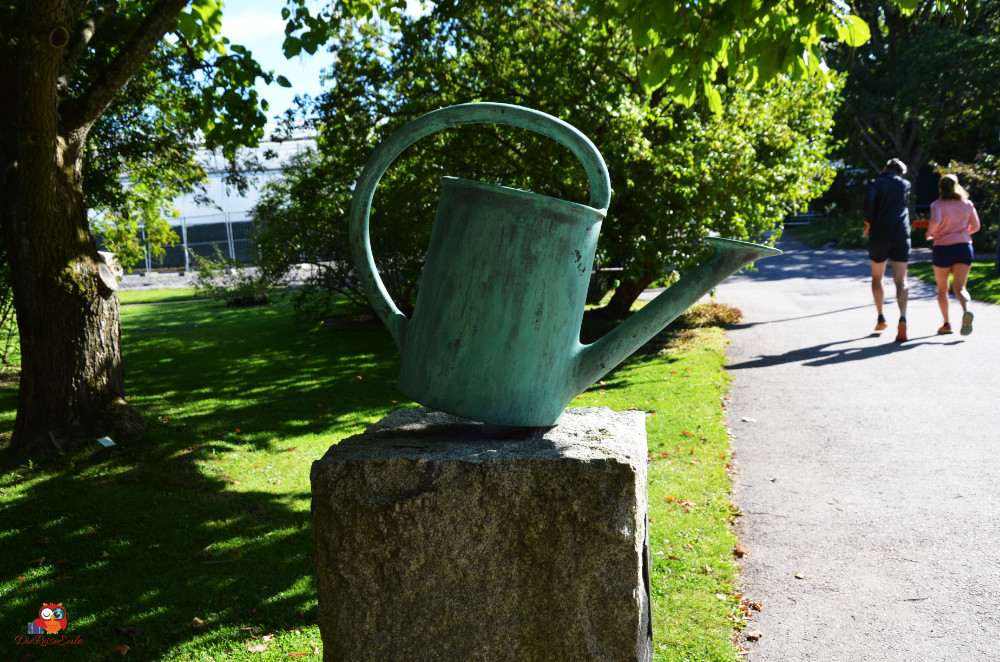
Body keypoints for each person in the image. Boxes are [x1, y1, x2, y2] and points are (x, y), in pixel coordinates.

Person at [863, 158, 911, 342]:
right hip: (901, 233)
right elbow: (904, 206)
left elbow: (869, 205)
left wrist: (868, 223)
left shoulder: (875, 183)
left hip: (879, 233)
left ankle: (881, 317)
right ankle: (903, 317)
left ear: (885, 169)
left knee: (877, 277)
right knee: (901, 279)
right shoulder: (906, 184)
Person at [927, 174, 980, 336]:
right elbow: (976, 226)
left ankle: (947, 324)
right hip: (964, 247)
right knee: (960, 288)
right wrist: (962, 234)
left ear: (940, 188)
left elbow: (935, 222)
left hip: (943, 248)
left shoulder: (937, 205)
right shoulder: (967, 204)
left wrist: (930, 233)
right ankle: (967, 311)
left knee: (943, 288)